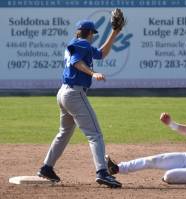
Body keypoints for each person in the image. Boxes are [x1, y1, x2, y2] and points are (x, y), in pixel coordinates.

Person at [37, 18, 123, 188]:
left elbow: (101, 54)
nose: (93, 37)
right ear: (90, 33)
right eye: (93, 34)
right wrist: (92, 73)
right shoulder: (82, 44)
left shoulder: (79, 44)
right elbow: (76, 62)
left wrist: (115, 32)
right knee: (95, 135)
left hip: (64, 92)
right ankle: (102, 173)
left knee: (64, 133)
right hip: (75, 93)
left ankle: (46, 167)